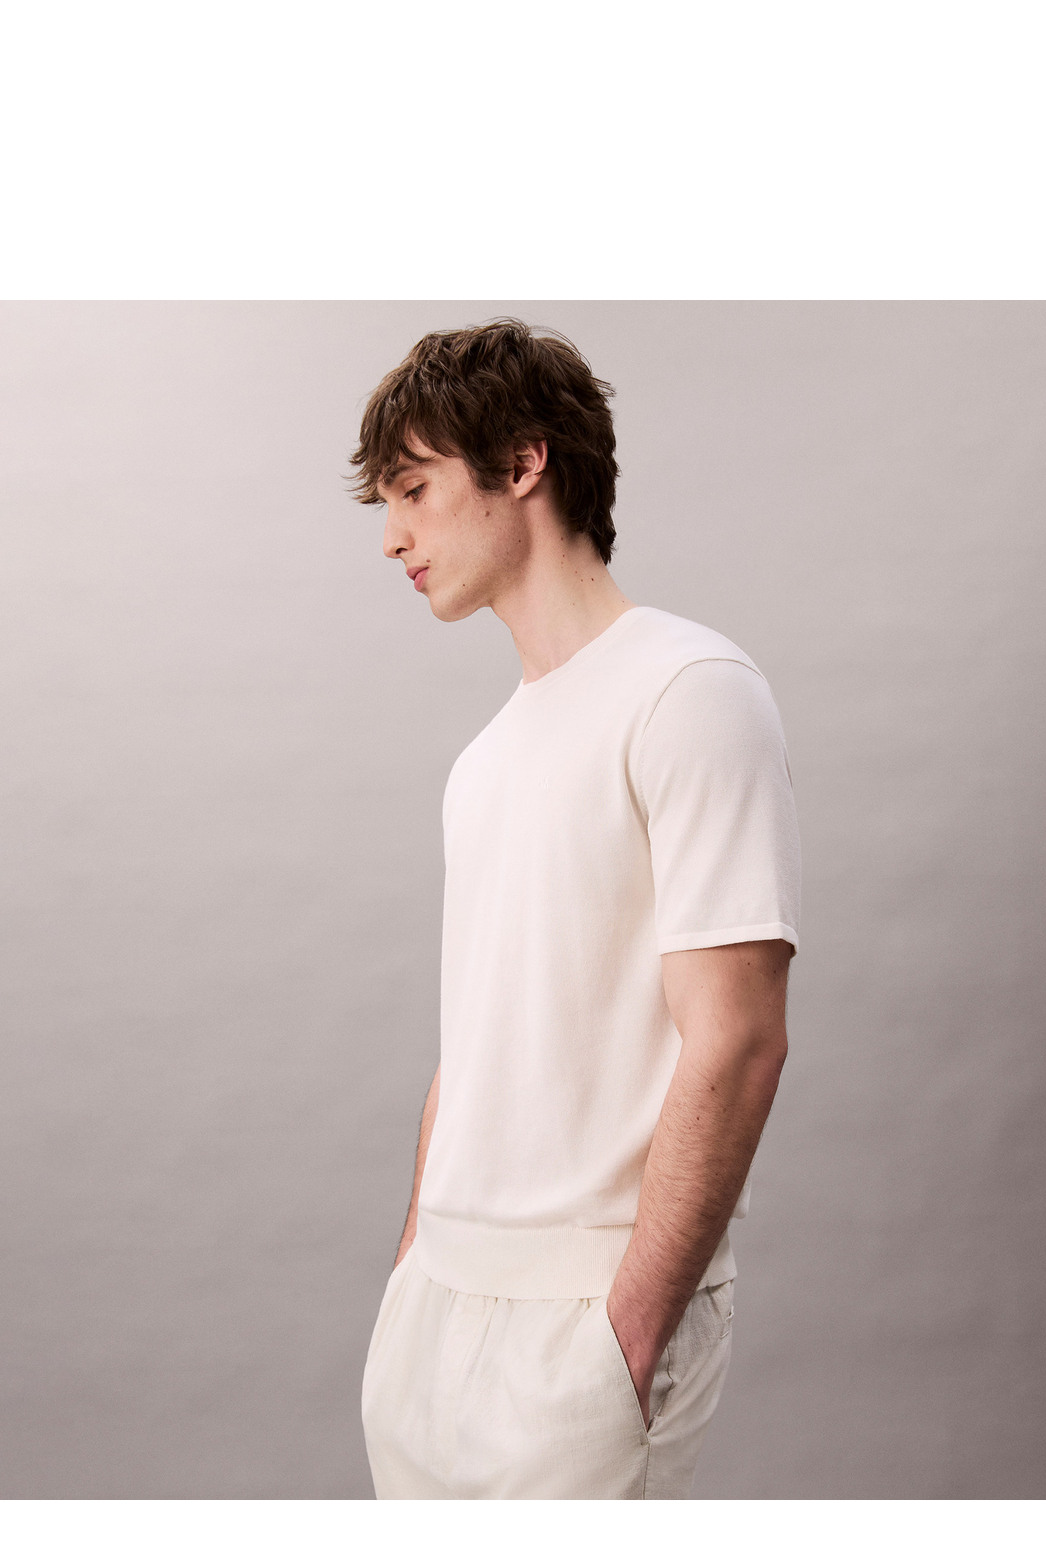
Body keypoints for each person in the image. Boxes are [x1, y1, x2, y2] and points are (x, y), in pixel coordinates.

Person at [351, 318, 800, 1499]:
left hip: (584, 1323)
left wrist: (629, 1337)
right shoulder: (484, 759)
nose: (392, 536)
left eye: (413, 489)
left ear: (523, 462)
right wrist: (414, 1268)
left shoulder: (689, 691)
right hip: (435, 1313)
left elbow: (738, 1037)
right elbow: (475, 1041)